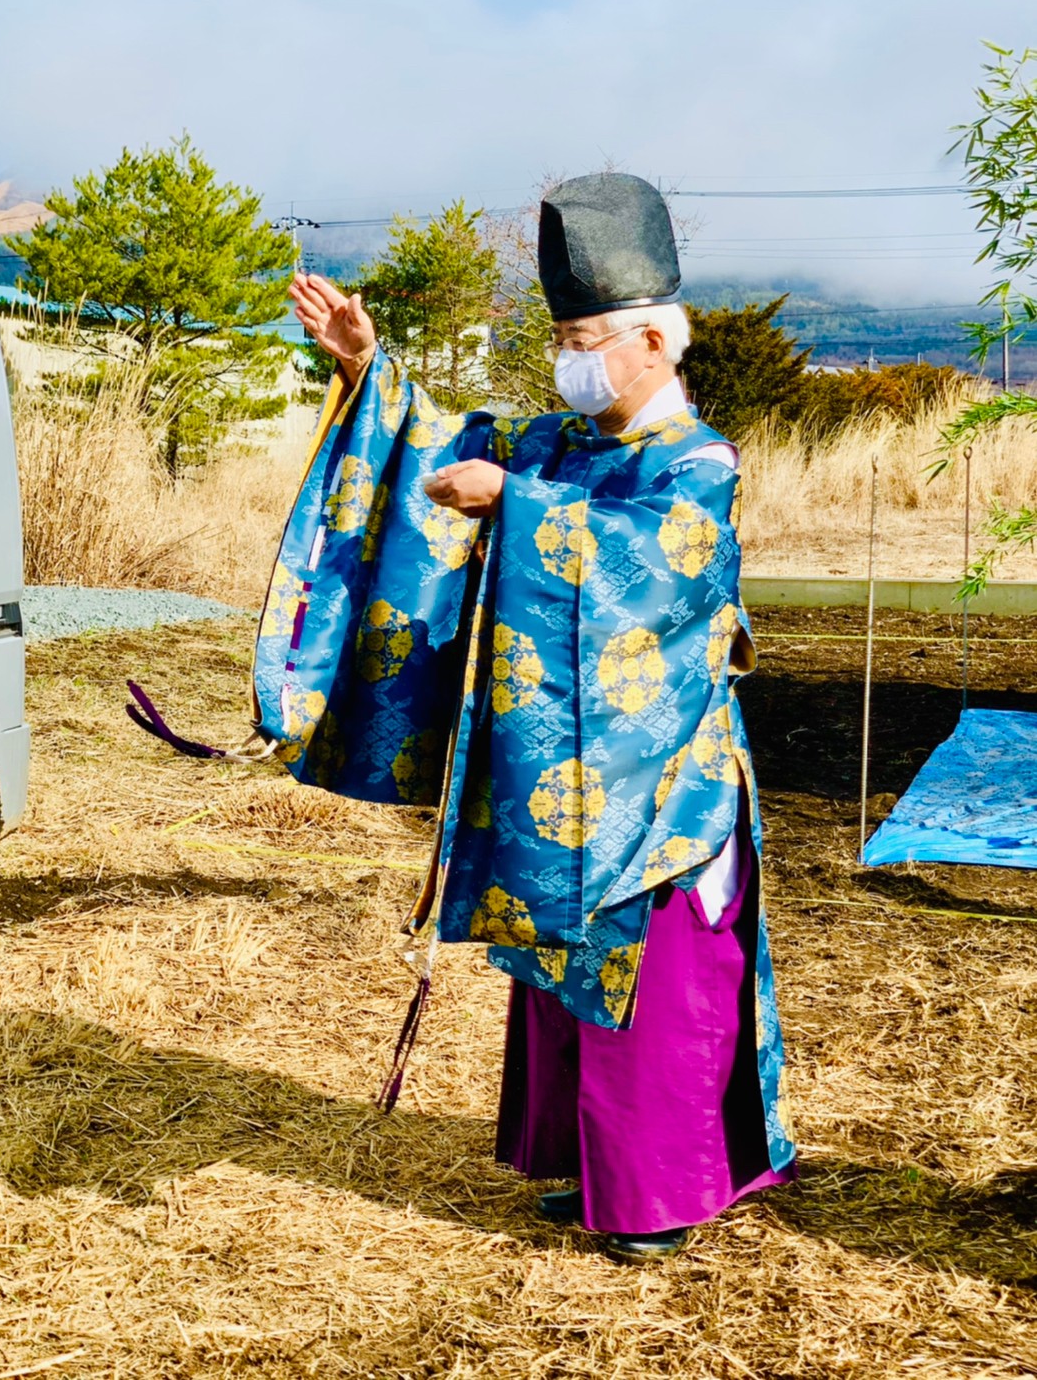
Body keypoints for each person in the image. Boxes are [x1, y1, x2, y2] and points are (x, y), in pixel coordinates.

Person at [273, 173, 795, 1263]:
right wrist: (367, 364)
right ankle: (593, 1170)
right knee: (563, 973)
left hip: (664, 782)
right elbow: (431, 441)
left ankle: (664, 1193)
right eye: (561, 332)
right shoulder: (559, 441)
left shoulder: (696, 461)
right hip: (566, 773)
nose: (571, 354)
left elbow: (658, 569)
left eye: (587, 334)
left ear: (655, 340)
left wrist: (517, 505)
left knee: (657, 990)